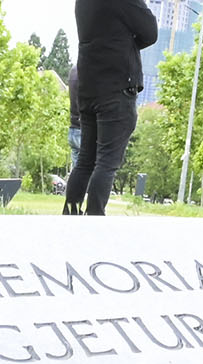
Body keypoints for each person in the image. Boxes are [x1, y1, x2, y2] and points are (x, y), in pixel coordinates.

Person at [64, 0, 156, 215]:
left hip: (88, 87)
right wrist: (127, 43)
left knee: (85, 161)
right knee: (106, 162)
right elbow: (150, 32)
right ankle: (94, 219)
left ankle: (70, 216)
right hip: (116, 88)